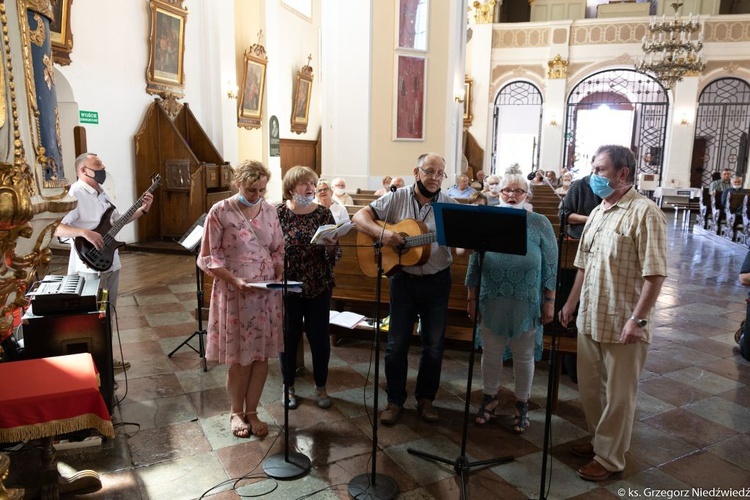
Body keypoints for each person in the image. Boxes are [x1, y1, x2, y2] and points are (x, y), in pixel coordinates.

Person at [559, 145, 667, 482]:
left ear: (623, 173)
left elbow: (655, 273)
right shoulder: (596, 213)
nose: (594, 176)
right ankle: (598, 440)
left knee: (619, 396)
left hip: (623, 321)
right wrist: (570, 304)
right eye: (593, 168)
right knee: (592, 390)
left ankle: (609, 459)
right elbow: (583, 265)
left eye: (601, 169)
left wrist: (639, 319)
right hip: (591, 316)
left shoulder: (645, 213)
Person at [352, 153, 456, 425]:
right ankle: (394, 400)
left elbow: (459, 245)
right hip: (403, 280)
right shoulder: (396, 197)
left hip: (436, 281)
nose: (434, 177)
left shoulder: (449, 206)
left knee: (433, 346)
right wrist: (383, 234)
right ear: (416, 172)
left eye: (440, 173)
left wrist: (464, 243)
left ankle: (425, 399)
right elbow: (359, 217)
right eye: (429, 171)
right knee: (396, 345)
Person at [197, 160, 283, 438]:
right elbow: (208, 257)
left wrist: (279, 276)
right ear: (238, 184)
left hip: (265, 294)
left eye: (261, 189)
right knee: (240, 357)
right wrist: (235, 280)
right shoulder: (220, 211)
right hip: (235, 291)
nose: (257, 194)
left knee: (260, 356)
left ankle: (254, 411)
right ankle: (236, 411)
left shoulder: (270, 211)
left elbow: (278, 248)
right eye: (251, 189)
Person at [468, 172, 557, 432]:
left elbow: (551, 264)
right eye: (507, 190)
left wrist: (549, 300)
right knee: (491, 351)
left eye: (518, 191)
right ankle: (489, 397)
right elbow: (475, 259)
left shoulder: (540, 223)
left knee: (523, 354)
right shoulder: (486, 219)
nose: (512, 195)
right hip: (491, 296)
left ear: (527, 195)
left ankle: (522, 403)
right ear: (498, 192)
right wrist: (471, 296)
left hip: (526, 299)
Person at [55, 153, 154, 370]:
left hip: (110, 261)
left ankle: (107, 359)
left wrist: (142, 209)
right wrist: (84, 233)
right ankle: (90, 364)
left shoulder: (102, 193)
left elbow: (116, 221)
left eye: (101, 163)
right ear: (83, 170)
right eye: (97, 165)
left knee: (107, 313)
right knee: (90, 318)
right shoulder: (75, 194)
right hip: (88, 266)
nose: (102, 167)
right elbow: (57, 228)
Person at [277, 166, 342, 409]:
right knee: (288, 336)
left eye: (312, 183)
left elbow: (336, 253)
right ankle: (288, 386)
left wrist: (331, 246)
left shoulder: (324, 215)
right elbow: (269, 247)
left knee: (319, 338)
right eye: (304, 184)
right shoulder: (279, 213)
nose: (310, 188)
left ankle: (321, 387)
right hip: (289, 285)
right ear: (291, 187)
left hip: (318, 284)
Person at [560, 158, 602, 239]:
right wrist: (589, 219)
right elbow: (563, 214)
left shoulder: (616, 188)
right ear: (592, 164)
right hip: (578, 236)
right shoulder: (579, 185)